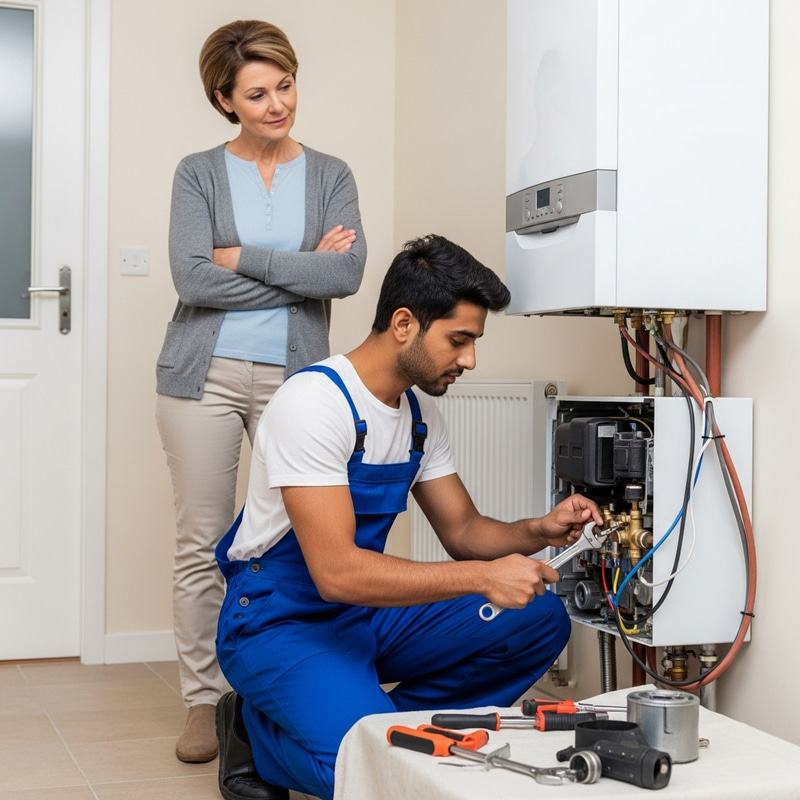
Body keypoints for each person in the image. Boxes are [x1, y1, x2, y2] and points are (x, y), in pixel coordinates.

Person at [212, 234, 604, 800]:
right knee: (374, 776)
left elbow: (465, 533)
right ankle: (252, 732)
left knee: (539, 619)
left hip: (362, 615)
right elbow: (337, 573)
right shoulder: (313, 404)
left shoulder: (419, 417)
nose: (469, 358)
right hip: (280, 620)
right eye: (459, 340)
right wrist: (482, 577)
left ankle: (378, 725)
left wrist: (538, 530)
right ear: (403, 324)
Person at [155, 19, 366, 764]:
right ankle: (202, 700)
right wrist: (297, 267)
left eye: (285, 84)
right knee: (201, 541)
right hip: (200, 377)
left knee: (295, 540)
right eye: (257, 93)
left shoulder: (331, 173)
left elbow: (344, 276)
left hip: (295, 381)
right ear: (225, 99)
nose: (277, 104)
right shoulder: (198, 173)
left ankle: (282, 683)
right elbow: (191, 278)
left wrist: (241, 256)